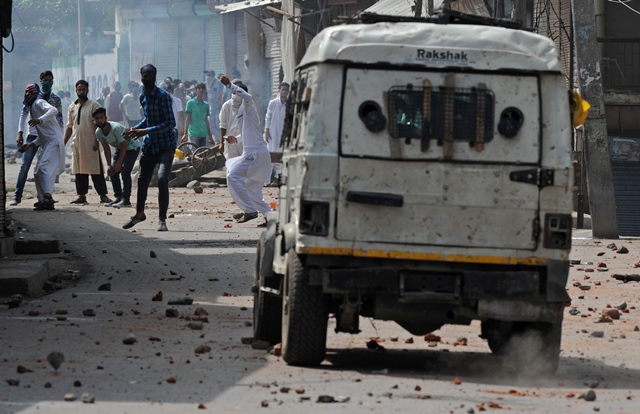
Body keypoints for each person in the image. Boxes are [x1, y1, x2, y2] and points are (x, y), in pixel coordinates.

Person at [122, 64, 177, 232]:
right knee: (142, 180)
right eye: (145, 76)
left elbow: (170, 123)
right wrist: (135, 130)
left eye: (151, 75)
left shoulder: (163, 96)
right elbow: (148, 120)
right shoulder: (143, 97)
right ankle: (139, 214)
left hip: (166, 144)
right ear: (141, 77)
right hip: (150, 145)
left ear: (155, 76)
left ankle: (162, 219)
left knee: (162, 179)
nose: (147, 78)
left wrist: (145, 131)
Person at [219, 75, 271, 224]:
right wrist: (236, 139)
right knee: (251, 189)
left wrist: (229, 85)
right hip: (257, 154)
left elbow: (247, 96)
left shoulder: (248, 104)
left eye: (236, 93)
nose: (234, 96)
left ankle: (249, 211)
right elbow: (248, 132)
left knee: (232, 176)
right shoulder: (242, 111)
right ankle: (270, 218)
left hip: (255, 155)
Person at [10, 70, 64, 206]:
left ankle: (47, 196)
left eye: (51, 80)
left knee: (44, 167)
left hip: (51, 138)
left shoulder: (48, 100)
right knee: (34, 169)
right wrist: (25, 139)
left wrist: (40, 120)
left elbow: (56, 114)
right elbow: (24, 116)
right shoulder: (32, 102)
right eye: (46, 80)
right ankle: (38, 199)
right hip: (38, 136)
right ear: (40, 81)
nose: (48, 83)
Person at [64, 79, 112, 205]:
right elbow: (69, 126)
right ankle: (81, 196)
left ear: (87, 90)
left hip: (91, 143)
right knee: (79, 170)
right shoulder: (72, 107)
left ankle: (103, 195)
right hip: (77, 144)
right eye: (79, 89)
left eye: (83, 89)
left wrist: (96, 141)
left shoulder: (94, 105)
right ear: (76, 91)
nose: (81, 91)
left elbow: (98, 125)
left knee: (96, 169)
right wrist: (63, 143)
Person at [92, 107, 141, 208]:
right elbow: (106, 148)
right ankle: (118, 197)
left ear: (105, 118)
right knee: (113, 172)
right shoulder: (98, 132)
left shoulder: (115, 128)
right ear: (94, 120)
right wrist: (109, 165)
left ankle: (126, 199)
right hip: (120, 148)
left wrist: (119, 163)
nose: (99, 120)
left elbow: (124, 145)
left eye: (101, 118)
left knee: (125, 172)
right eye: (97, 118)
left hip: (132, 147)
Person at [264, 82, 289, 184]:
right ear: (279, 91)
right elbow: (268, 117)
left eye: (286, 90)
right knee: (270, 156)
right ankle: (267, 180)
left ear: (288, 92)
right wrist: (266, 130)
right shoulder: (273, 103)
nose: (284, 92)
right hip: (273, 133)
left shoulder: (291, 104)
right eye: (282, 89)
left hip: (284, 134)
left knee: (283, 156)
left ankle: (279, 179)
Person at [219, 78, 244, 161]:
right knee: (232, 166)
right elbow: (223, 125)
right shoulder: (226, 105)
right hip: (230, 140)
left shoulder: (248, 104)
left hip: (244, 140)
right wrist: (221, 143)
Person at [182, 82, 213, 148]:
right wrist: (185, 134)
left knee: (203, 154)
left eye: (203, 88)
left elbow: (206, 120)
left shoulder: (206, 105)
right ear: (196, 90)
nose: (201, 90)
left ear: (205, 90)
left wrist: (210, 136)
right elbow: (188, 118)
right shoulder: (190, 103)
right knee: (195, 154)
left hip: (203, 134)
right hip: (193, 133)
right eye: (199, 88)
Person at [205, 70, 224, 142]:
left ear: (213, 75)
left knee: (218, 126)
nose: (207, 77)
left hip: (218, 108)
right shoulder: (206, 84)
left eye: (209, 75)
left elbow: (223, 92)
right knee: (211, 127)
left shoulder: (218, 83)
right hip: (211, 108)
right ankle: (221, 140)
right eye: (207, 75)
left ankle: (219, 142)